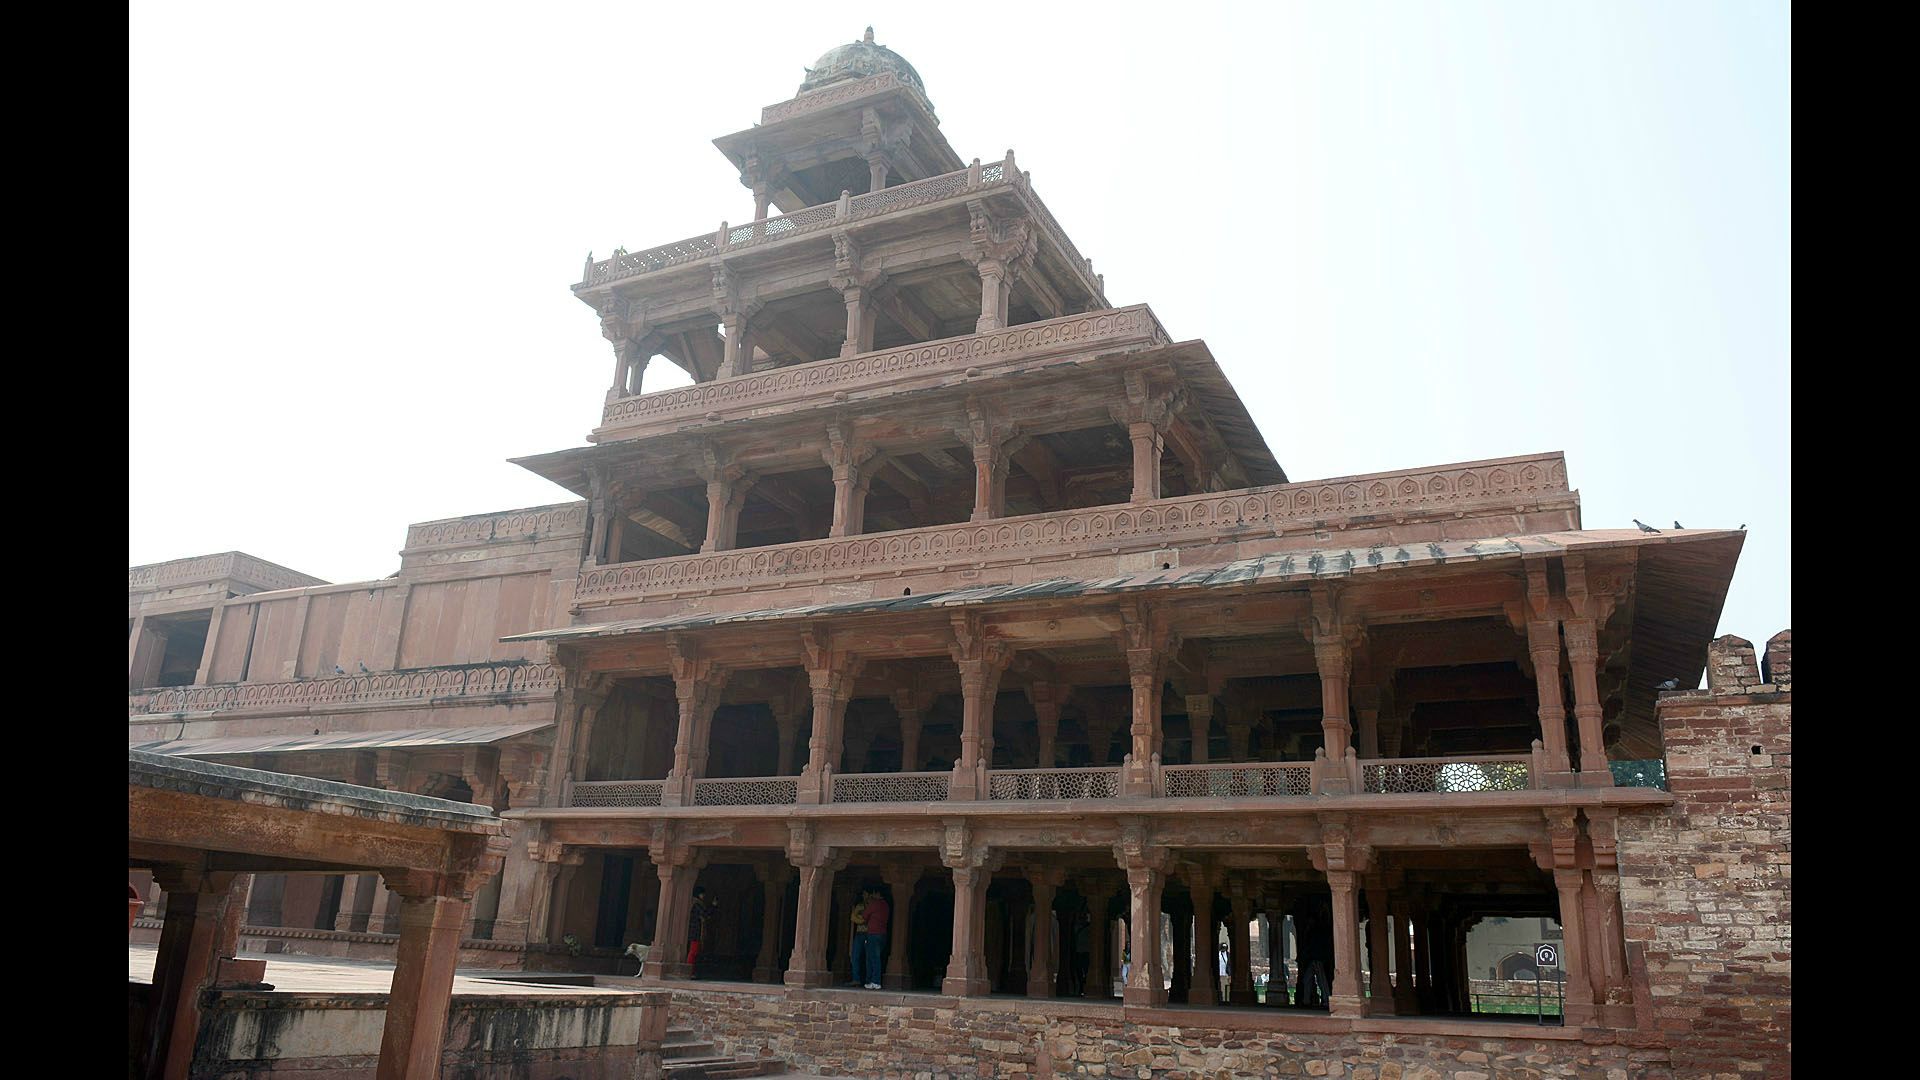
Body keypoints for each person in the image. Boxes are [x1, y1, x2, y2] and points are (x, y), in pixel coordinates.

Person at [859, 886, 890, 990]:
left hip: (873, 934)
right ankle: (872, 980)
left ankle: (875, 981)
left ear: (877, 894)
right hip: (882, 934)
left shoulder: (874, 903)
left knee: (873, 958)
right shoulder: (885, 905)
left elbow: (864, 915)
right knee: (875, 957)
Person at [686, 887, 715, 971]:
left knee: (694, 951)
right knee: (693, 952)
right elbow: (705, 914)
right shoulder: (696, 904)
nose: (703, 896)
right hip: (695, 931)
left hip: (695, 931)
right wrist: (713, 906)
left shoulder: (695, 903)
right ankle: (689, 970)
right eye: (702, 894)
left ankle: (691, 970)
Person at [848, 892, 869, 987]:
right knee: (855, 956)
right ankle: (856, 979)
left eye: (866, 894)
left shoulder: (872, 906)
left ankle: (868, 979)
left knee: (869, 957)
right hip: (859, 933)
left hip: (869, 934)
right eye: (864, 894)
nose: (865, 896)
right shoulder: (860, 906)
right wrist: (863, 920)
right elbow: (853, 917)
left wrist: (860, 918)